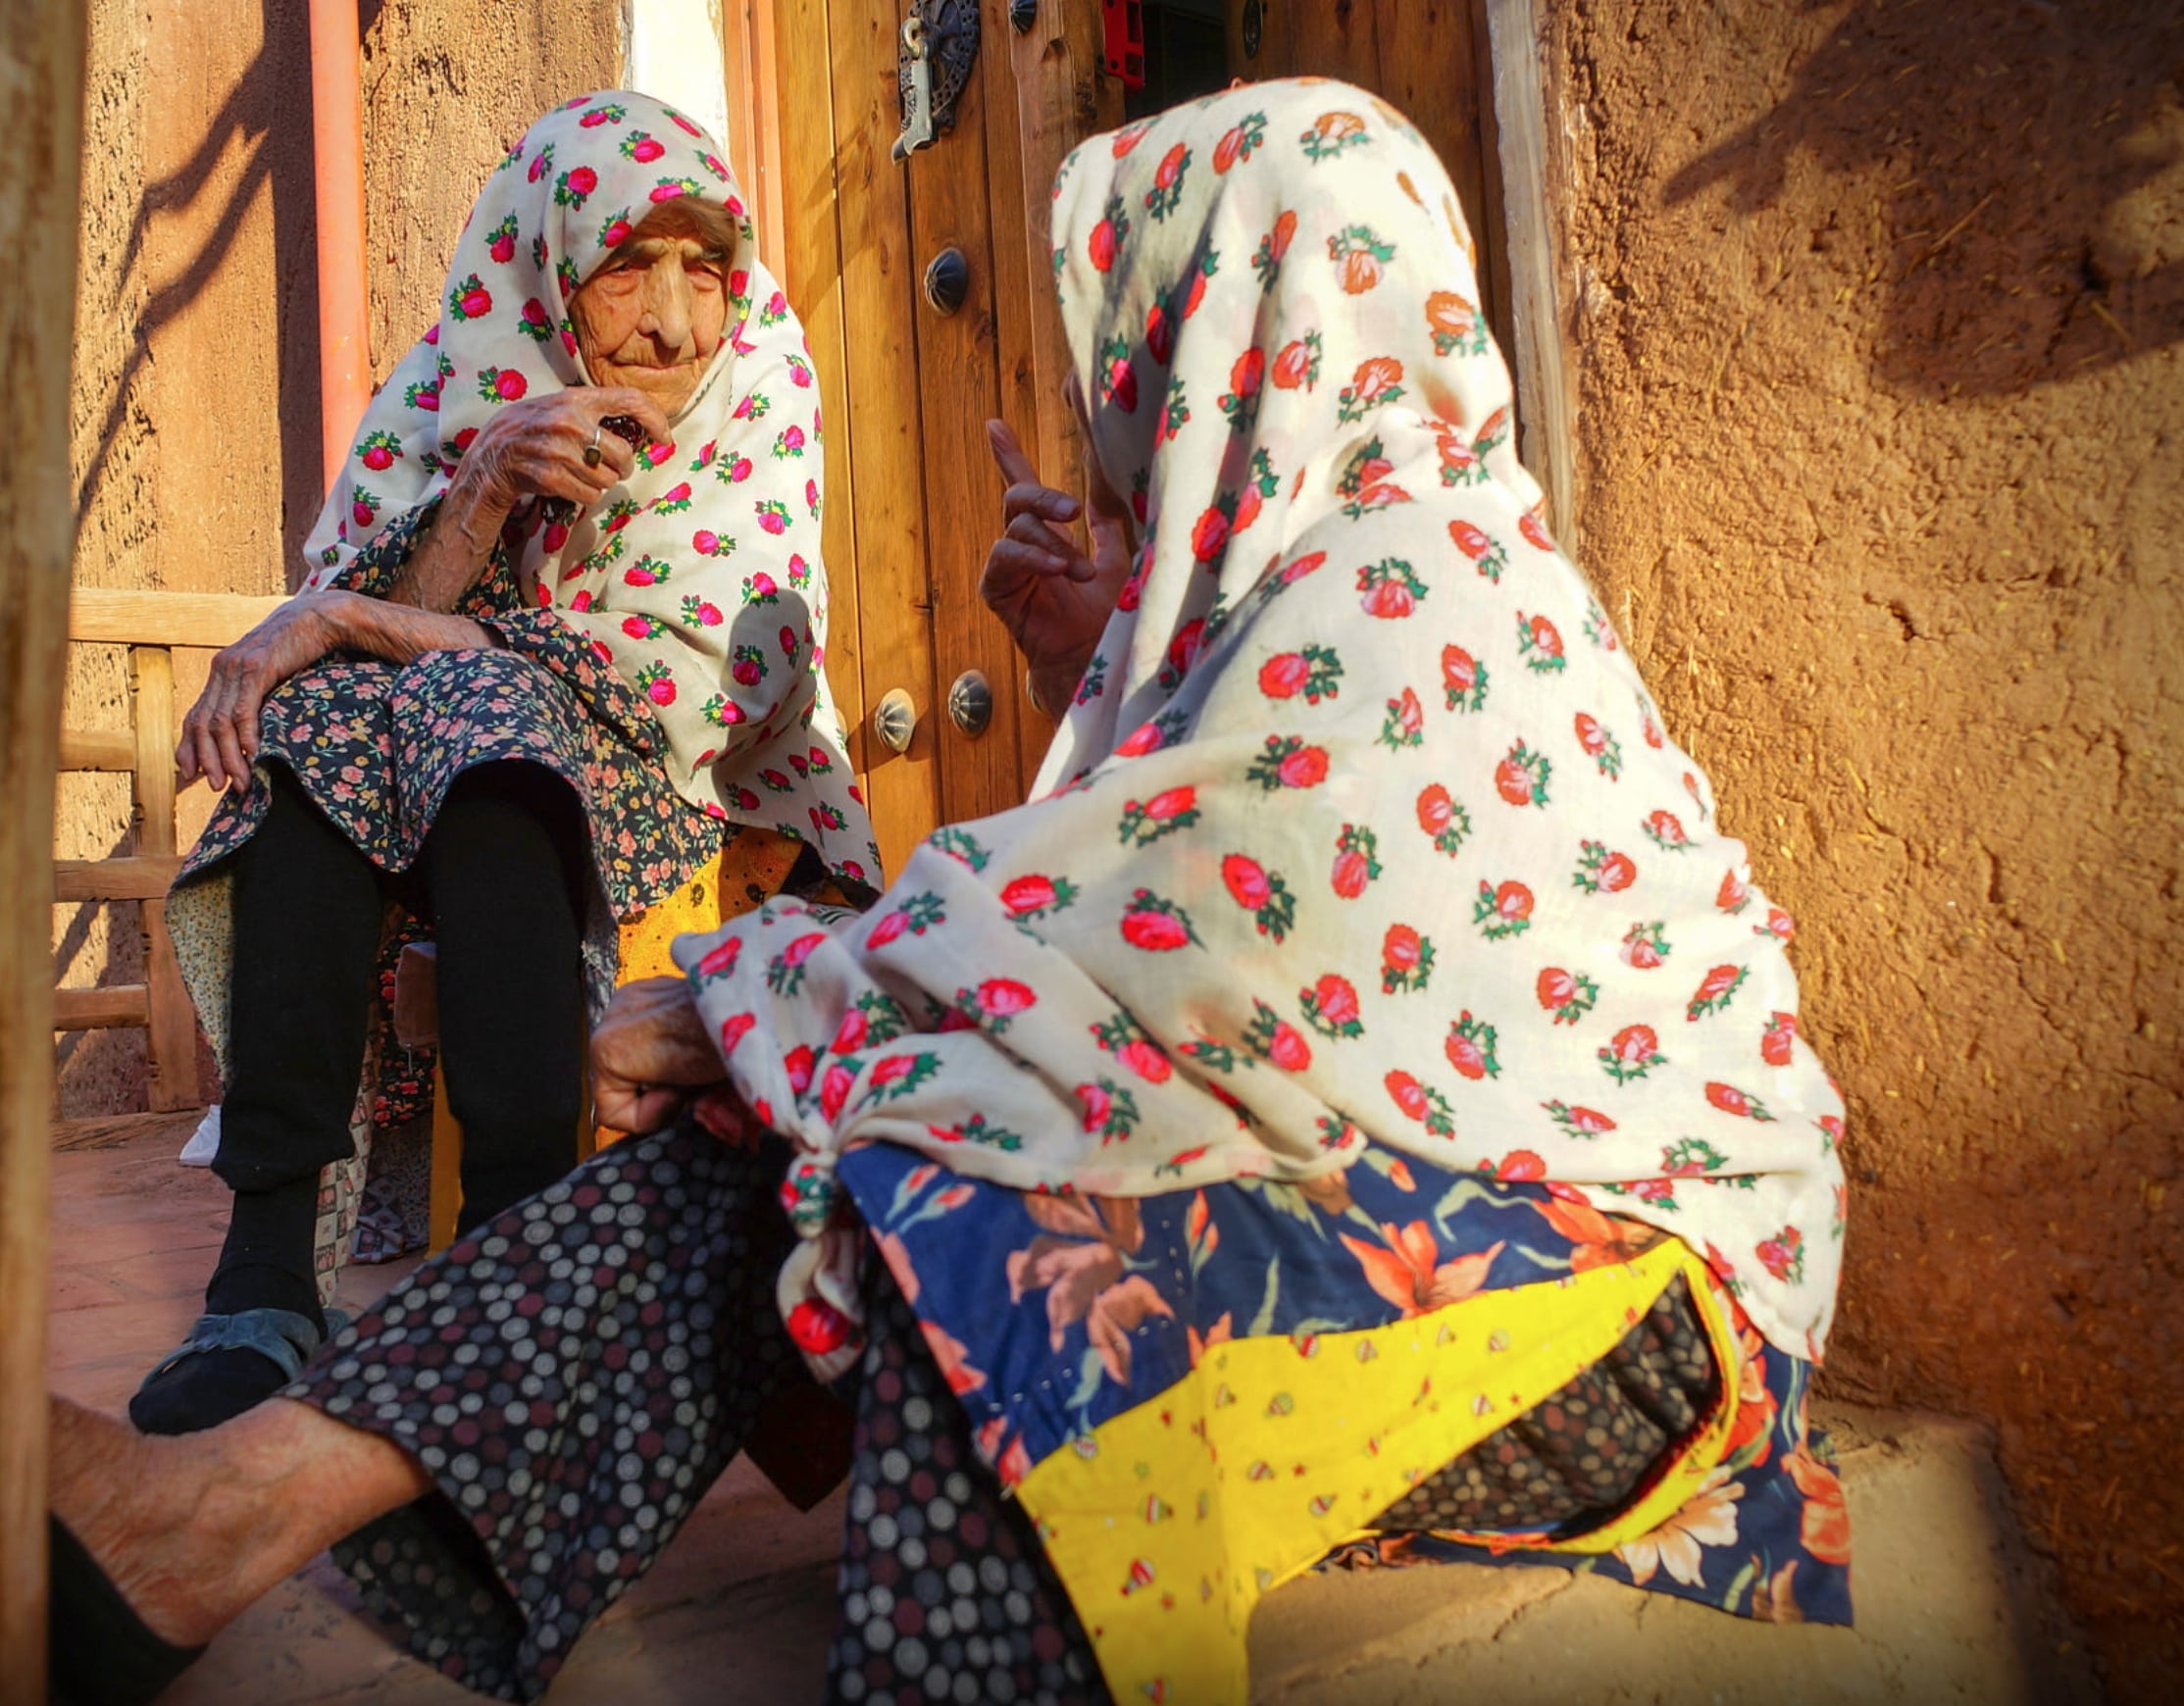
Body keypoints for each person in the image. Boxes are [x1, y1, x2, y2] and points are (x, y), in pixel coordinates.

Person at [52, 79, 1852, 1706]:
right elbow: (1190, 942)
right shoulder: (1288, 586)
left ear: (1246, 325)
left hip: (1631, 1313)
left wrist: (763, 1009)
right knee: (823, 1151)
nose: (1118, 392)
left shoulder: (1426, 579)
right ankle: (211, 1510)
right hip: (1390, 1197)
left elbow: (1191, 956)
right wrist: (1095, 655)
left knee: (987, 1249)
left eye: (1142, 334)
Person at [132, 89, 878, 1437]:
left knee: (468, 695)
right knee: (324, 720)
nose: (672, 321)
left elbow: (705, 685)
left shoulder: (758, 382)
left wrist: (358, 619)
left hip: (682, 767)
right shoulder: (450, 388)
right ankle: (262, 1280)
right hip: (439, 771)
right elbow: (355, 655)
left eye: (704, 272)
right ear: (541, 267)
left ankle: (513, 1255)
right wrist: (478, 492)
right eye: (626, 270)